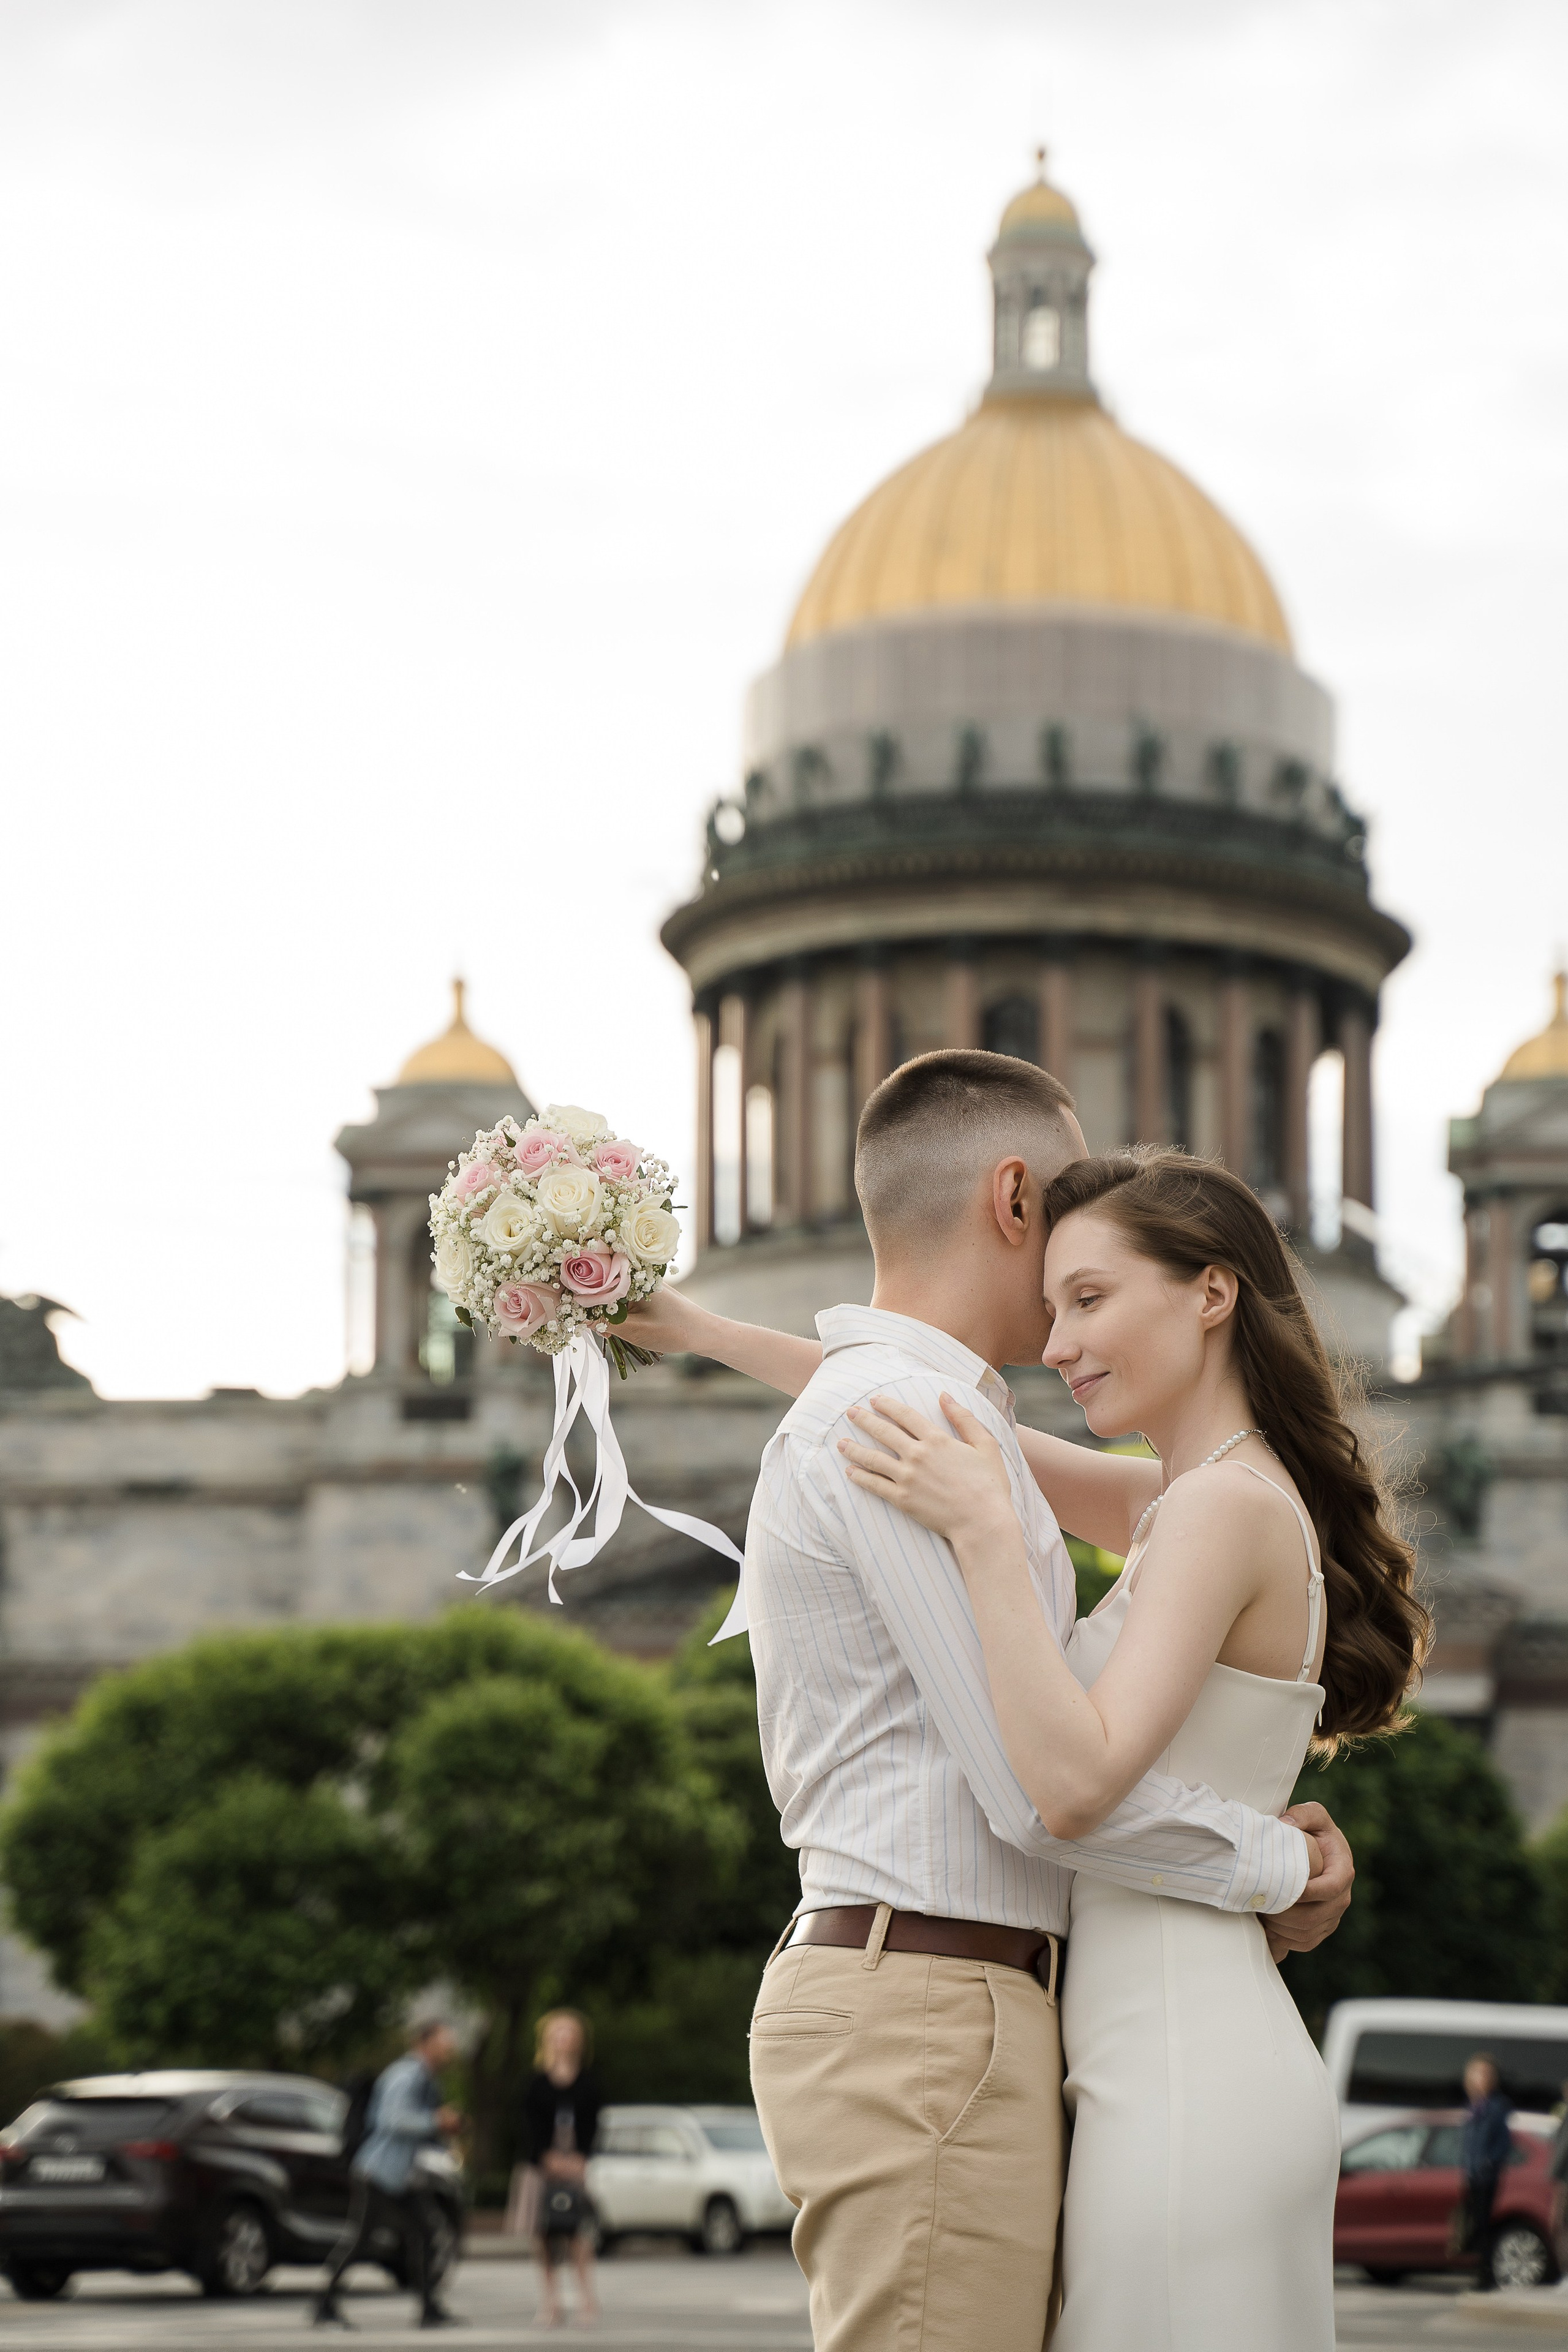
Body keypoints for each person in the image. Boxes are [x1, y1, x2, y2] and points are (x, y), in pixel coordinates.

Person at [627, 1052, 1383, 2352]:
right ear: (1012, 1195)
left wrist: (986, 1538)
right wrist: (693, 1330)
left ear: (1210, 1295)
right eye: (1056, 1294)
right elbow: (885, 1398)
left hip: (1152, 2048)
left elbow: (1060, 1790)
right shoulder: (1183, 1494)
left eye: (1088, 1298)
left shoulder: (1205, 1507)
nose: (1054, 1338)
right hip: (1088, 2031)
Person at [311, 2018, 464, 2331]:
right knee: (361, 2241)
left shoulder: (425, 2078)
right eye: (444, 2044)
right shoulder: (406, 2075)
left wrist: (442, 2131)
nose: (449, 2051)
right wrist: (436, 2121)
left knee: (424, 2234)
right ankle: (324, 2304)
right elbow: (392, 2119)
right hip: (379, 2173)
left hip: (403, 2175)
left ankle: (428, 2309)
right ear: (425, 2044)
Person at [516, 2010, 602, 2329]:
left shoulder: (588, 2083)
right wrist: (547, 2159)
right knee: (543, 2236)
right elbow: (529, 2127)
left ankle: (586, 2300)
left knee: (578, 2233)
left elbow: (593, 2125)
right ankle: (550, 2302)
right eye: (558, 2032)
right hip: (540, 2167)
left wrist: (579, 2158)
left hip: (575, 2166)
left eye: (570, 2032)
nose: (564, 2038)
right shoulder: (535, 2083)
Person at [1461, 2052, 1513, 2290]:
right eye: (1474, 2074)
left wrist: (1488, 2163)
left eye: (1482, 2075)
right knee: (1474, 2224)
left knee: (1484, 2225)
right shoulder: (1474, 2106)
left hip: (1486, 2176)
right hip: (1472, 2175)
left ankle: (1486, 2275)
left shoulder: (1496, 2106)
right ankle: (1479, 2271)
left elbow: (1503, 2143)